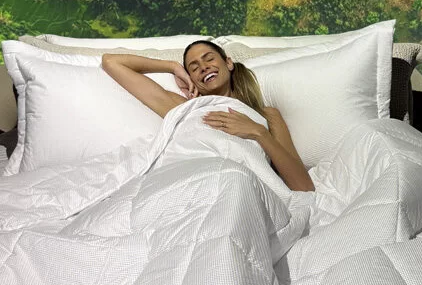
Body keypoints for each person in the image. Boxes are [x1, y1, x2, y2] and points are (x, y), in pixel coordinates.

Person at [101, 40, 315, 192]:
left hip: (239, 187)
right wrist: (172, 67)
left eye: (209, 59)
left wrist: (258, 132)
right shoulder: (184, 108)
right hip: (190, 184)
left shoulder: (266, 116)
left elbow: (304, 187)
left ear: (228, 63)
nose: (203, 67)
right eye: (194, 68)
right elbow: (111, 62)